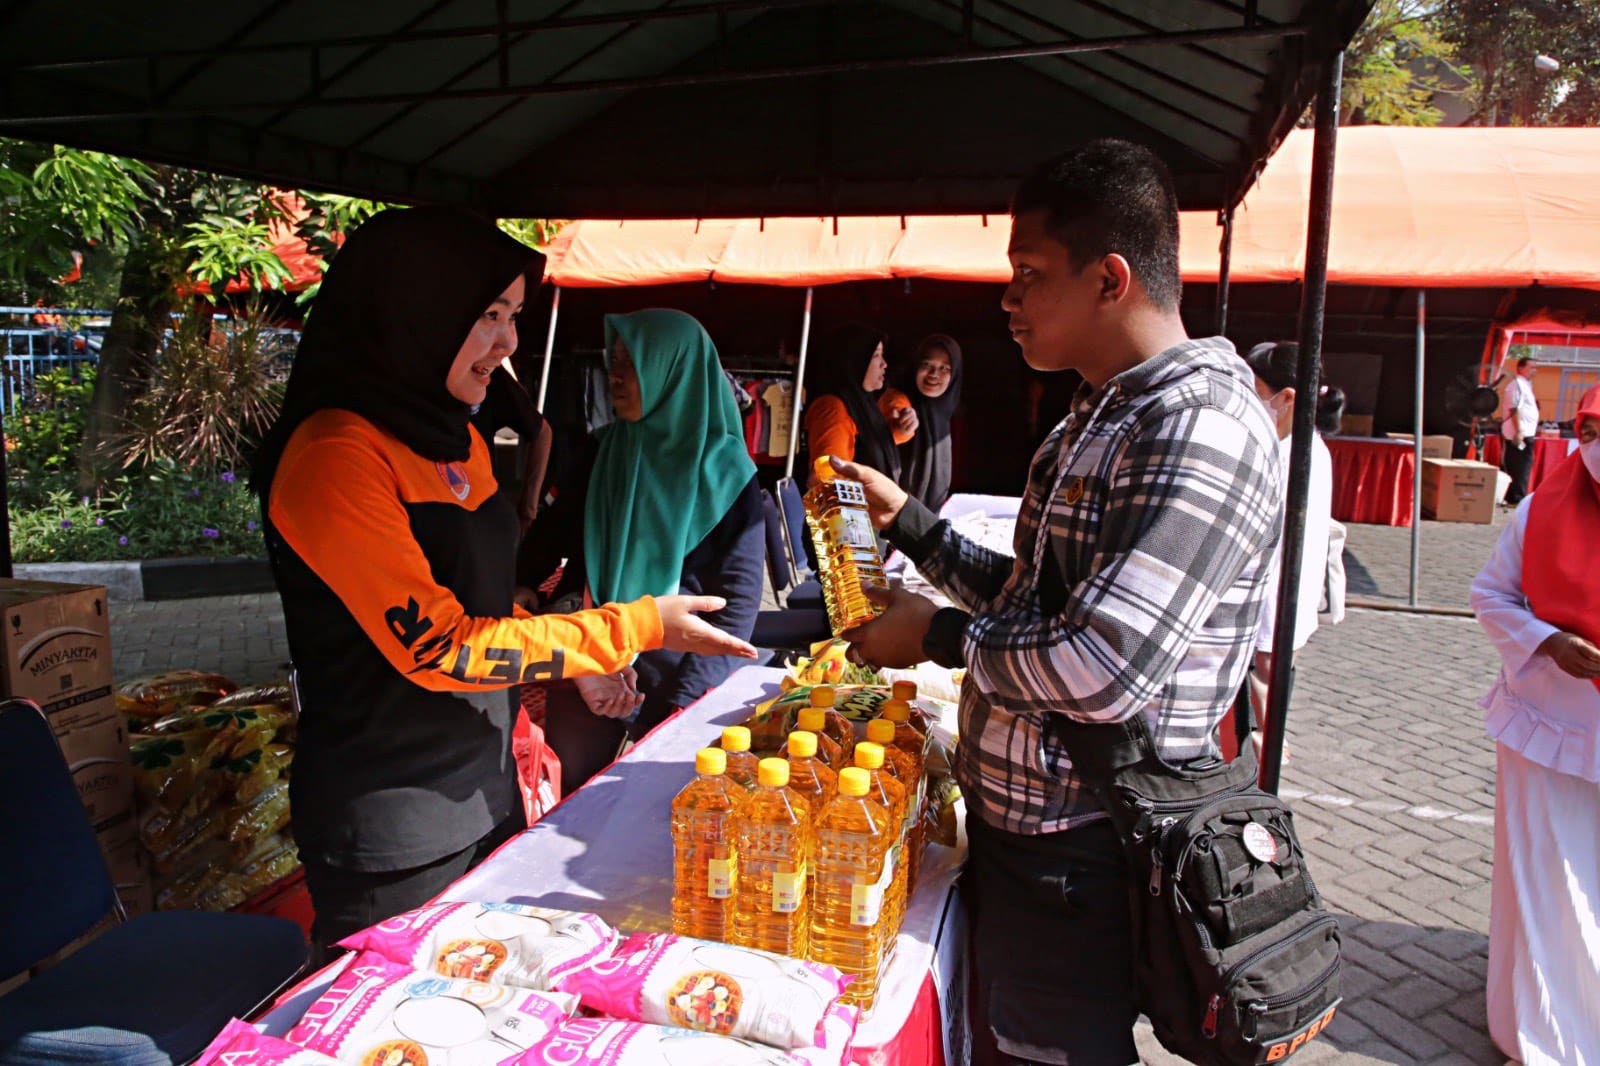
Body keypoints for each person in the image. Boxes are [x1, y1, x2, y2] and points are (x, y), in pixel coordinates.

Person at [834, 140, 1282, 1064]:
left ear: (1111, 279)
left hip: (1087, 847)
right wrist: (915, 525)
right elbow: (1038, 606)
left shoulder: (1197, 424)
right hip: (1032, 840)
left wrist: (938, 636)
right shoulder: (1100, 408)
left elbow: (1104, 666)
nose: (1007, 300)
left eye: (1029, 275)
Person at [251, 208, 755, 954]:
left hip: (486, 785)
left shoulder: (455, 437)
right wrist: (632, 627)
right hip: (394, 816)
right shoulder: (336, 457)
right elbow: (442, 646)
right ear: (417, 312)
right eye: (489, 316)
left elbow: (490, 605)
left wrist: (573, 667)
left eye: (514, 317)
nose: (509, 342)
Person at [528, 309, 766, 792]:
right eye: (613, 360)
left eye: (634, 363)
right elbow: (551, 538)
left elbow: (737, 604)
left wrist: (678, 710)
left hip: (677, 677)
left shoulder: (726, 474)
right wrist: (522, 585)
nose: (615, 375)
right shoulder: (604, 450)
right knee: (573, 802)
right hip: (592, 660)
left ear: (673, 371)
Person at [1469, 381, 1600, 1064]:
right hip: (1549, 726)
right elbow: (1490, 593)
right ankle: (1553, 1023)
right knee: (1550, 881)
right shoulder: (1540, 511)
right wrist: (1548, 640)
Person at [1237, 340, 1345, 761]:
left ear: (1286, 399)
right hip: (1279, 604)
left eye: (1253, 390)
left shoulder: (1290, 453)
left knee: (1260, 720)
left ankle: (1257, 796)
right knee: (1262, 709)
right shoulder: (1303, 445)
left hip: (1270, 605)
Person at [802, 324, 915, 484]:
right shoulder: (833, 408)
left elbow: (866, 445)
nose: (884, 364)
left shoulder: (861, 404)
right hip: (853, 508)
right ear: (855, 361)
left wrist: (899, 429)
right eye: (876, 356)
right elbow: (828, 480)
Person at [895, 333, 965, 512]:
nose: (934, 374)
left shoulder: (947, 415)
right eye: (927, 365)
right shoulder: (898, 406)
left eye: (944, 368)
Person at [1500, 356, 1539, 506]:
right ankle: (1516, 497)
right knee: (1519, 466)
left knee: (1523, 466)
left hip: (1526, 432)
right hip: (1518, 434)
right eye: (1532, 367)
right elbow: (1514, 408)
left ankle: (1517, 495)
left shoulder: (1526, 385)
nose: (1535, 371)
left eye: (1536, 367)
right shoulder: (1516, 385)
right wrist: (1519, 431)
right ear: (1521, 368)